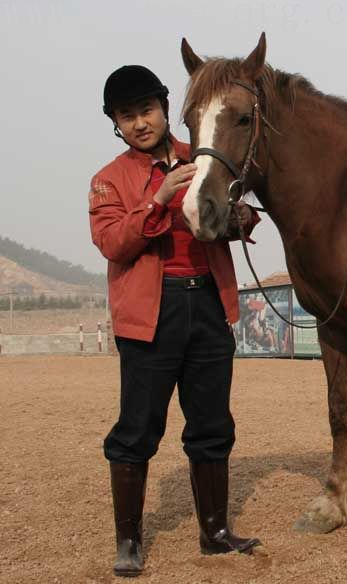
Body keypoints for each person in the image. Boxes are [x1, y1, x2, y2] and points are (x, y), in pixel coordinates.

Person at [89, 65, 263, 577]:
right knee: (137, 429)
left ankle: (215, 532)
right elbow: (113, 243)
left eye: (146, 109)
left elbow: (240, 215)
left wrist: (240, 218)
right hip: (150, 315)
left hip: (208, 304)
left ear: (166, 108)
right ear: (116, 124)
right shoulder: (108, 180)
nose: (140, 122)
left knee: (212, 425)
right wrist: (160, 198)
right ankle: (128, 542)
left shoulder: (204, 159)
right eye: (127, 115)